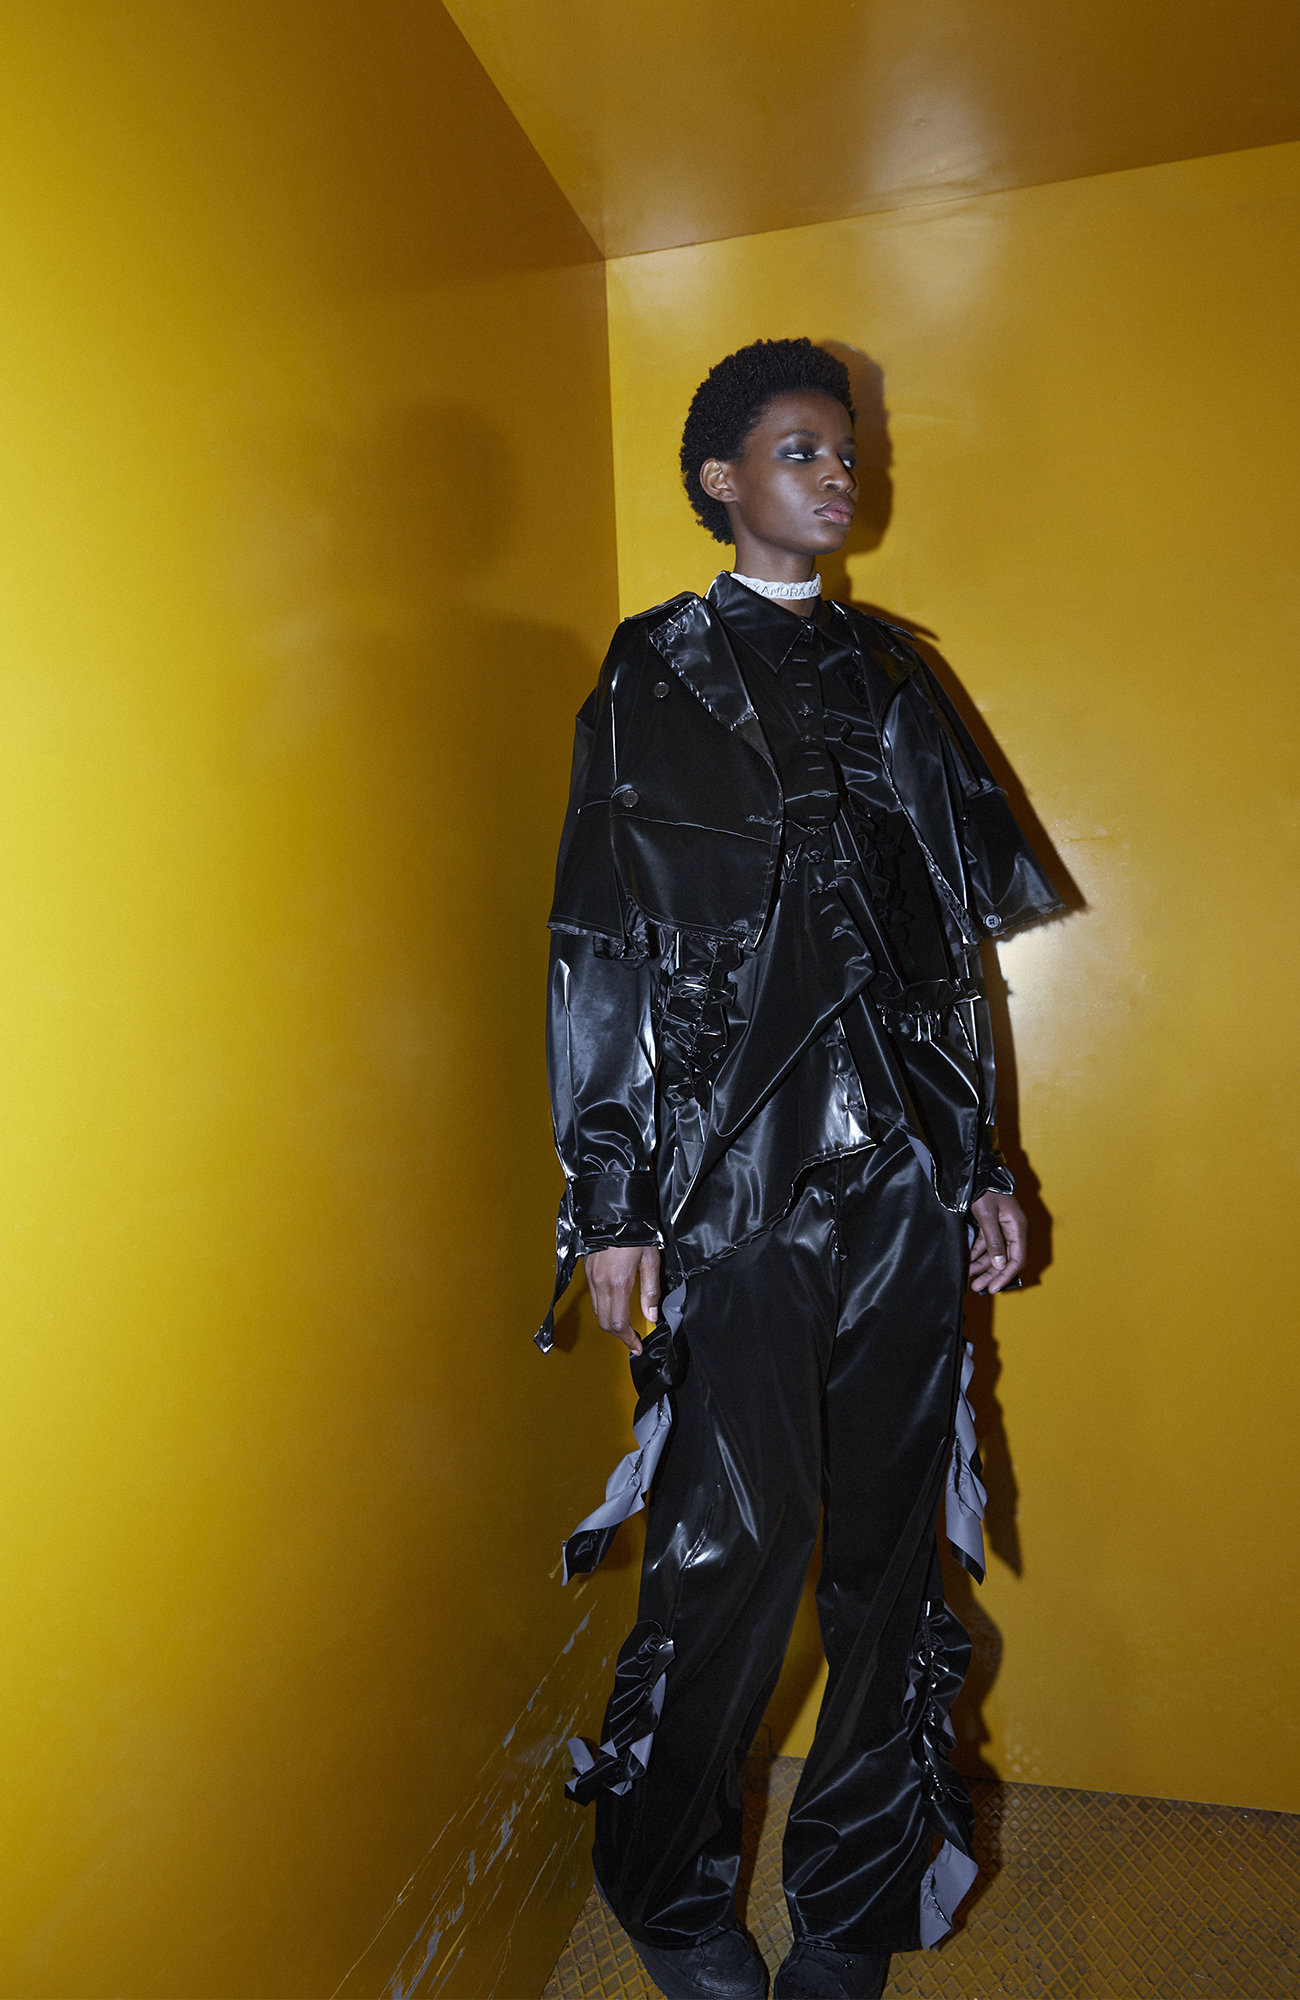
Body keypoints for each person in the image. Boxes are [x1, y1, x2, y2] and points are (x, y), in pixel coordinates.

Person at [534, 339, 1061, 2000]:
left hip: (901, 1167)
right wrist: (612, 1198)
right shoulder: (653, 670)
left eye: (846, 451)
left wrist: (983, 1166)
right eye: (801, 449)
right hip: (734, 1175)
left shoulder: (897, 675)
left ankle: (854, 1902)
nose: (839, 473)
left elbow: (952, 955)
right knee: (730, 1549)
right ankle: (671, 1895)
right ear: (721, 478)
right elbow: (601, 939)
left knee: (893, 1556)